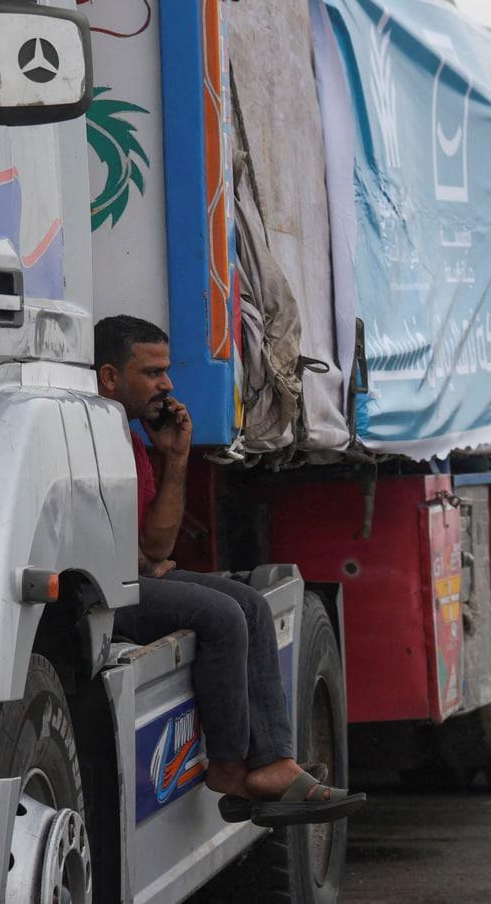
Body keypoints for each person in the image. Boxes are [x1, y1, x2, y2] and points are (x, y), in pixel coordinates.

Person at [94, 315, 362, 826]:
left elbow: (155, 544)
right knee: (222, 617)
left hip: (134, 575)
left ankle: (272, 764)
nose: (167, 384)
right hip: (104, 594)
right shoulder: (90, 433)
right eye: (152, 373)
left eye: (165, 372)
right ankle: (229, 767)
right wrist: (145, 560)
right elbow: (139, 555)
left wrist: (175, 459)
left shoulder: (129, 438)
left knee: (253, 605)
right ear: (109, 377)